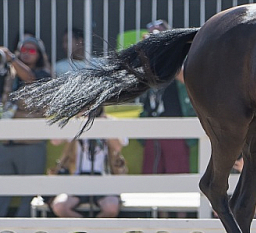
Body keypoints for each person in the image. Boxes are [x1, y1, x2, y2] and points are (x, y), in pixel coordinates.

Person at [0, 36, 51, 217]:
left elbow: (30, 77)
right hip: (7, 142)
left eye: (31, 50)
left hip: (31, 144)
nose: (27, 54)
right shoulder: (10, 74)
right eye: (24, 50)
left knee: (28, 194)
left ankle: (23, 227)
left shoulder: (44, 74)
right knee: (2, 191)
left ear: (39, 54)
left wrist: (12, 58)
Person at [138, 20, 195, 173]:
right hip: (152, 125)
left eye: (159, 34)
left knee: (177, 172)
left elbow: (185, 78)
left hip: (175, 124)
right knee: (150, 174)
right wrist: (145, 52)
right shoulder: (147, 62)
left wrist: (165, 51)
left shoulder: (178, 58)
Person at [49, 120, 128, 218]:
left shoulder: (110, 122)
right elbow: (55, 141)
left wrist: (104, 123)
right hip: (78, 177)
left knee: (111, 208)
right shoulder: (76, 123)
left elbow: (117, 147)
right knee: (59, 207)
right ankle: (84, 228)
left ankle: (95, 229)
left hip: (104, 177)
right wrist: (76, 119)